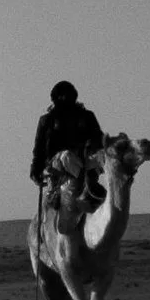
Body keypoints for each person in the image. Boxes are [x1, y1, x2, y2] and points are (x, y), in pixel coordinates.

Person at [30, 79, 107, 237]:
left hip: (84, 160)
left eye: (69, 95)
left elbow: (98, 140)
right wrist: (35, 171)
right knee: (66, 156)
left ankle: (92, 186)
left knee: (99, 154)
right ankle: (87, 183)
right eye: (63, 96)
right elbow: (39, 150)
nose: (66, 99)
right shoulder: (47, 121)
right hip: (57, 164)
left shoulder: (86, 117)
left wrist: (92, 145)